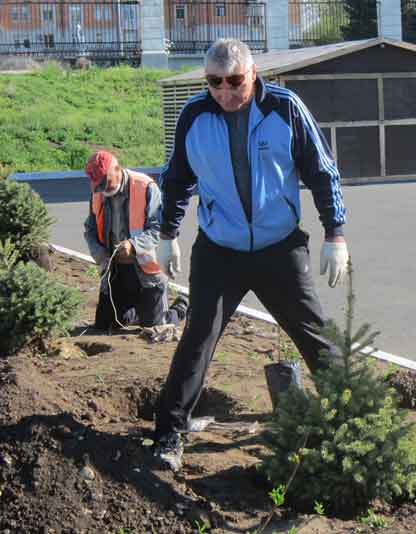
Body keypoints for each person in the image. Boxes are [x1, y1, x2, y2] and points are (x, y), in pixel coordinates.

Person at [153, 38, 349, 470]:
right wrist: (168, 233)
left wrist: (335, 233)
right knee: (198, 338)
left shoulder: (285, 108)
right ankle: (169, 432)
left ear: (253, 74)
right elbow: (177, 177)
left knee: (314, 334)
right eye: (214, 82)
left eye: (234, 81)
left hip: (279, 248)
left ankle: (355, 422)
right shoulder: (195, 114)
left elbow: (322, 170)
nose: (224, 92)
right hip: (219, 250)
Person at [83, 150, 188, 334]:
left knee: (155, 328)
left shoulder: (145, 187)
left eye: (105, 182)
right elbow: (90, 230)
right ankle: (139, 311)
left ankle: (179, 308)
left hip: (147, 273)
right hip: (116, 271)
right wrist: (98, 253)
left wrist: (133, 245)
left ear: (117, 169)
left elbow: (159, 229)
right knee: (105, 325)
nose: (102, 188)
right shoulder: (98, 192)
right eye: (97, 184)